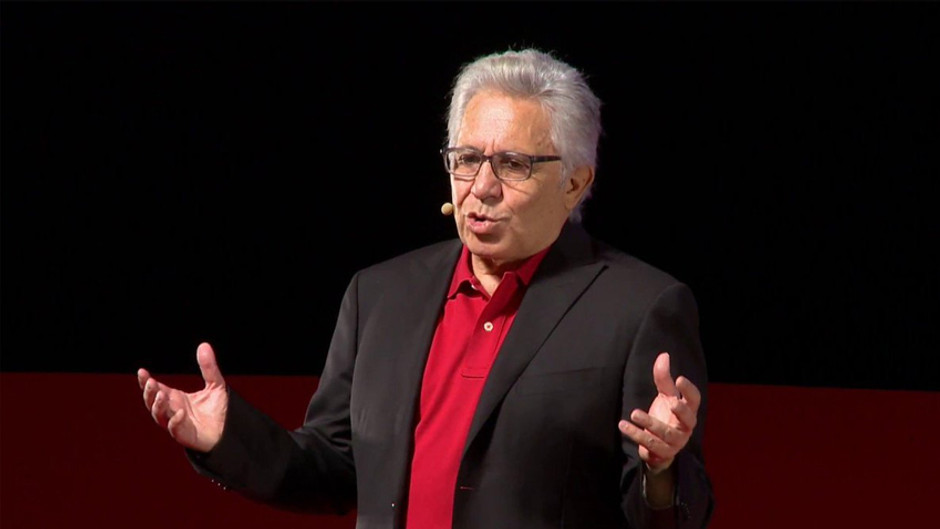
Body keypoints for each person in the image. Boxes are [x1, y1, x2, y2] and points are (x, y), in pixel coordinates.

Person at [138, 48, 714, 529]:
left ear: (574, 182)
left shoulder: (638, 308)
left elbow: (669, 515)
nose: (481, 187)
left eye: (513, 164)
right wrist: (226, 436)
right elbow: (334, 470)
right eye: (467, 159)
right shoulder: (379, 295)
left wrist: (661, 469)